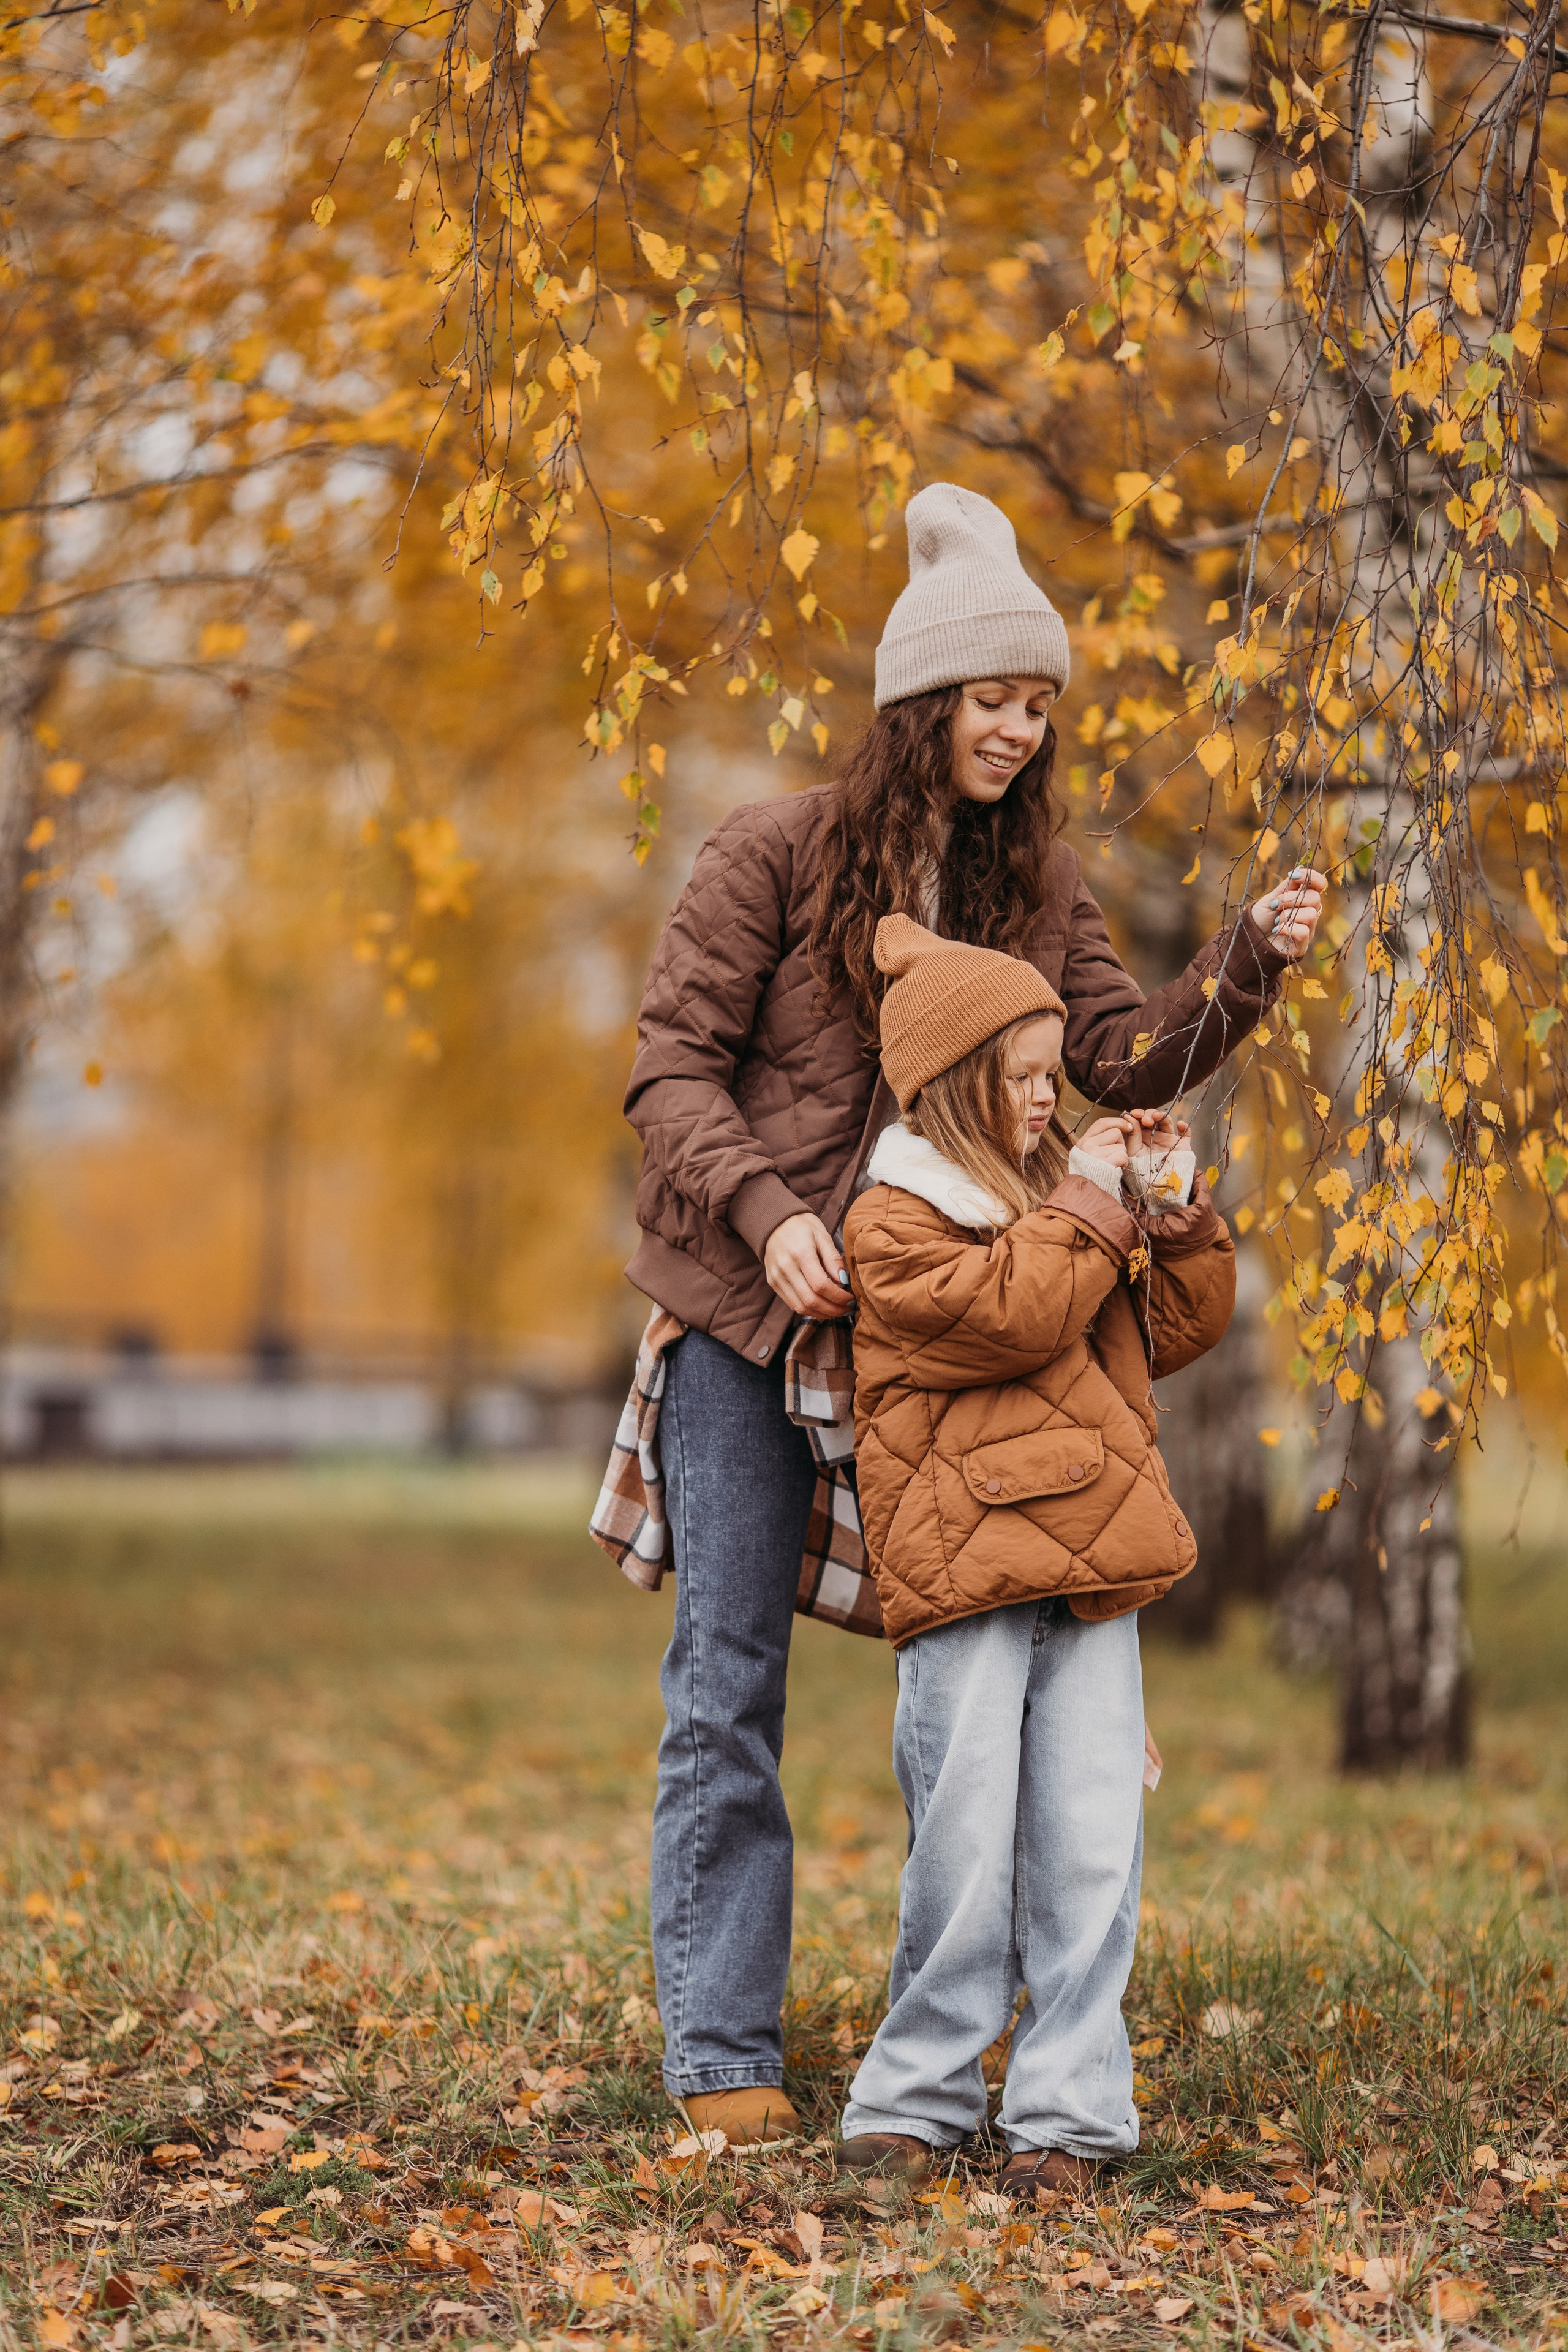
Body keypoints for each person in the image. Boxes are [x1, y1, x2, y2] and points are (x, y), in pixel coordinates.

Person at [622, 480, 1324, 2149]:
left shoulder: (1038, 881)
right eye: (993, 697)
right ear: (921, 699)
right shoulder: (769, 853)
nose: (1017, 729)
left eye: (1037, 705)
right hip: (752, 1322)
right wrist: (773, 1219)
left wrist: (1242, 963)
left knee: (977, 1692)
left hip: (948, 1346)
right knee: (724, 1682)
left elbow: (1116, 1062)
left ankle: (966, 2055)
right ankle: (722, 2052)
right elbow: (668, 1074)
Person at [835, 914, 1234, 2190]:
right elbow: (1011, 1314)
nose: (1045, 1097)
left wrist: (1167, 1211)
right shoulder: (893, 1219)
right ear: (955, 1083)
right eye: (1018, 1076)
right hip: (966, 1574)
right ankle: (915, 2097)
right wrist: (1091, 1204)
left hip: (1092, 1557)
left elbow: (1169, 1331)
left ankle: (1066, 2115)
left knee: (1086, 1839)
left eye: (1049, 1073)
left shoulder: (1065, 1204)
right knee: (961, 1845)